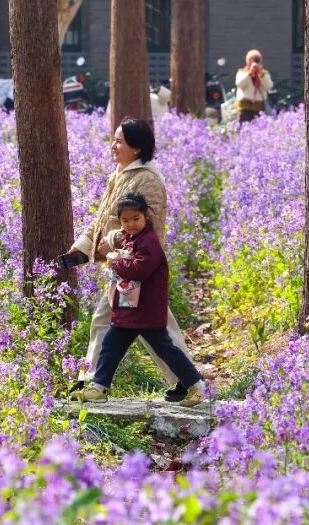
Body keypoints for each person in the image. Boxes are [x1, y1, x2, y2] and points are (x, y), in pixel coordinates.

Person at [62, 117, 198, 403]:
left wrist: (112, 248)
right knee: (135, 327)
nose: (113, 145)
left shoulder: (147, 179)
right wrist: (81, 250)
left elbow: (145, 226)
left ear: (136, 148)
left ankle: (94, 384)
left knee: (155, 331)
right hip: (124, 269)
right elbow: (103, 220)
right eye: (113, 139)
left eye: (119, 141)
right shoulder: (120, 174)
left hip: (138, 269)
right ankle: (94, 382)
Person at [73, 193, 204, 407]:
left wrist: (111, 258)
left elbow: (138, 270)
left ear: (146, 216)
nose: (131, 224)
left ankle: (196, 385)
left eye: (136, 218)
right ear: (120, 221)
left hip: (146, 311)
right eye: (126, 220)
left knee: (165, 349)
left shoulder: (149, 242)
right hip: (129, 308)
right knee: (110, 345)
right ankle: (99, 388)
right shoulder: (131, 239)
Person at [235, 49, 273, 123]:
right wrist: (250, 73)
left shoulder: (264, 74)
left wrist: (261, 74)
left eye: (257, 60)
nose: (254, 63)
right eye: (252, 60)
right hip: (244, 107)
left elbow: (269, 86)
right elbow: (239, 84)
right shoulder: (242, 72)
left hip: (259, 108)